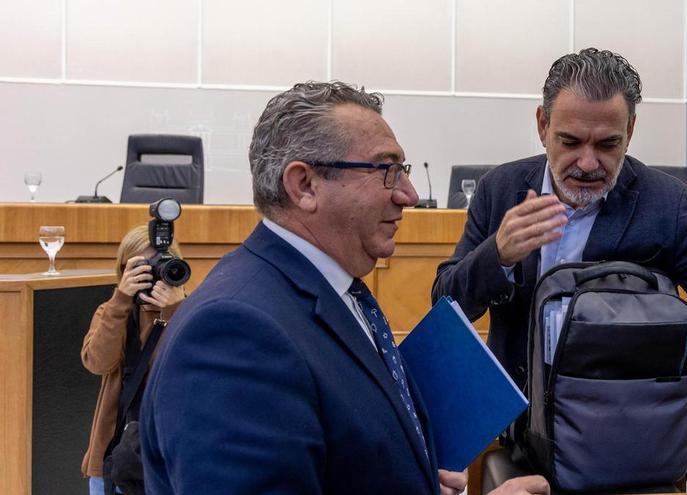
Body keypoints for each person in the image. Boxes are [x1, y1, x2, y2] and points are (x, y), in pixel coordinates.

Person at [138, 81, 549, 495]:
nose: (409, 195)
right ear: (304, 185)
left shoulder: (337, 290)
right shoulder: (233, 335)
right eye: (386, 170)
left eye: (403, 170)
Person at [432, 48, 687, 495]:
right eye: (570, 142)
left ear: (630, 131)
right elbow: (445, 304)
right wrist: (497, 256)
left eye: (607, 145)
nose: (588, 163)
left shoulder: (666, 204)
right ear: (542, 125)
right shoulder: (499, 190)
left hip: (633, 451)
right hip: (520, 441)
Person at [81, 225, 186, 495]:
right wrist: (121, 300)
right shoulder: (112, 311)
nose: (151, 273)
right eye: (141, 267)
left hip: (169, 455)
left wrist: (175, 309)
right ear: (124, 269)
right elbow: (98, 363)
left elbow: (187, 370)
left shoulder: (191, 312)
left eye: (159, 263)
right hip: (113, 453)